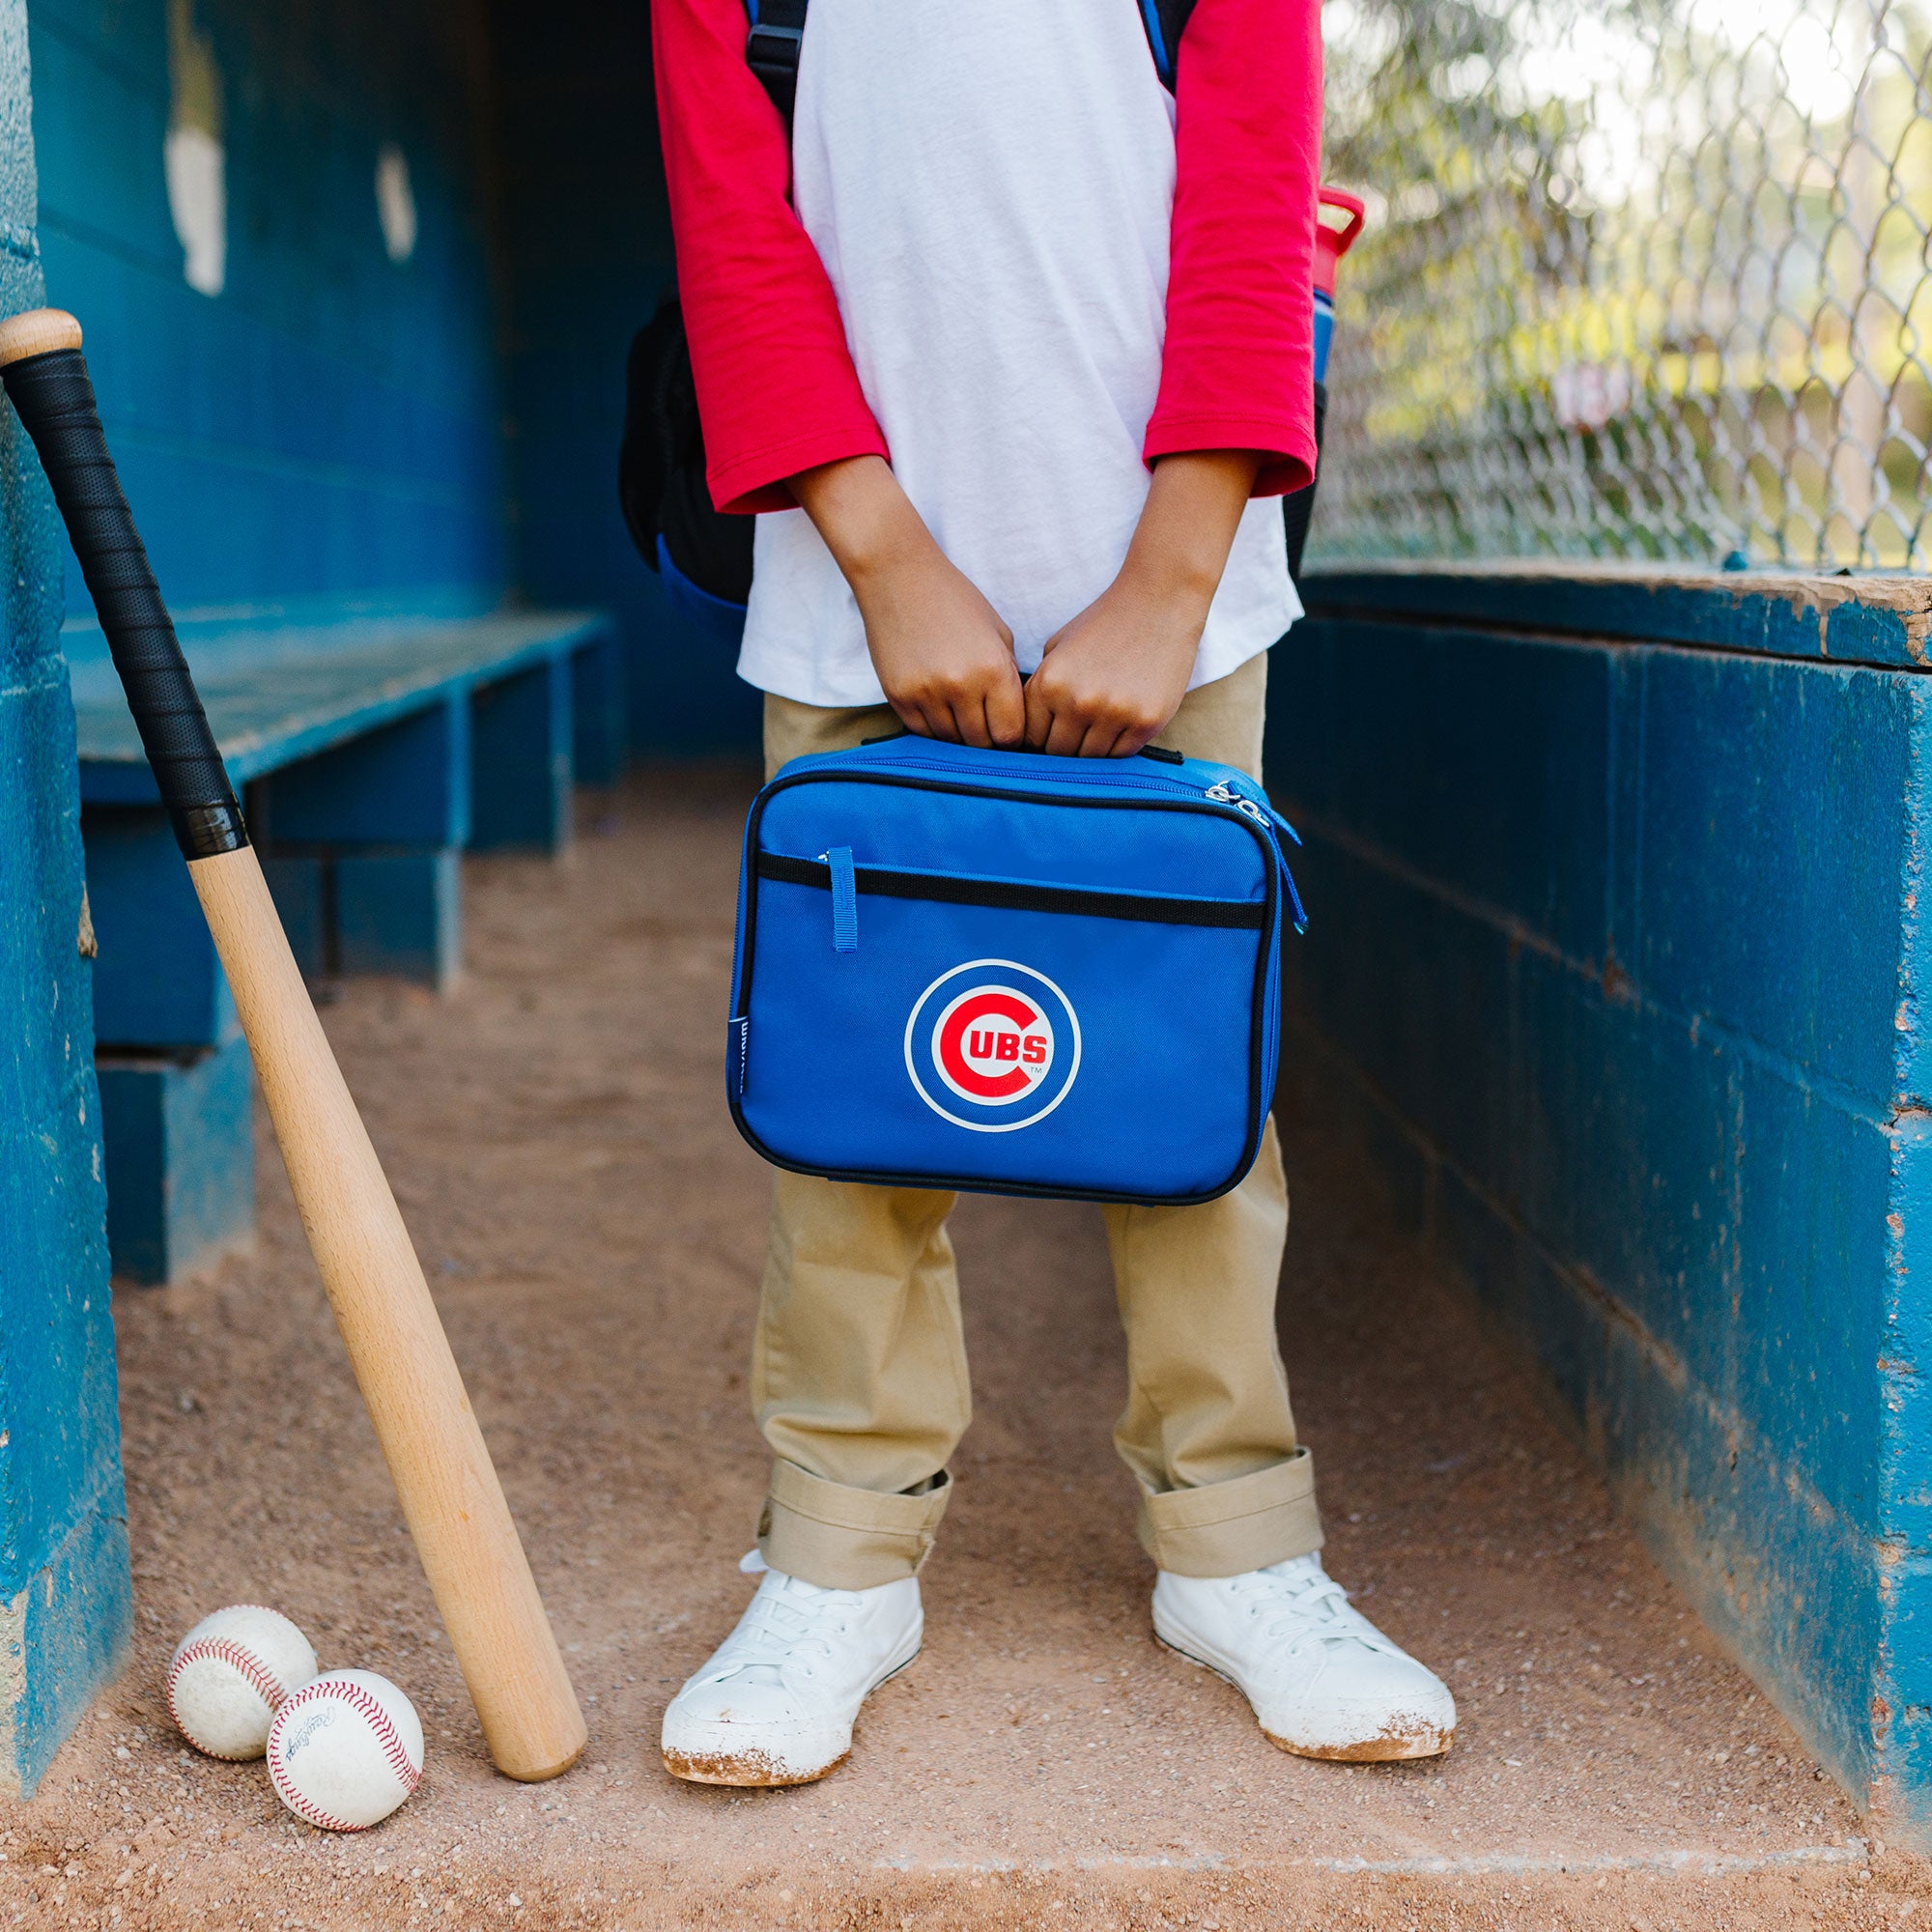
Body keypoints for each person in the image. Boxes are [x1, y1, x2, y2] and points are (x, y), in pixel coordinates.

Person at [650, 0, 1456, 1786]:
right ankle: (838, 1558)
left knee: (1185, 1085)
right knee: (859, 1102)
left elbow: (1255, 183)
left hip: (1177, 577)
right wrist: (883, 553)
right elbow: (730, 203)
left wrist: (1174, 577)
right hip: (857, 578)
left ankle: (1240, 1548)